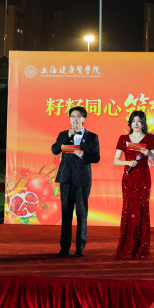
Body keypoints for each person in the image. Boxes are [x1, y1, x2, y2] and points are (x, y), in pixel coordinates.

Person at [51, 106, 100, 257]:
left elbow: (96, 157)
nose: (75, 119)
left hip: (82, 179)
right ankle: (64, 248)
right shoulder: (63, 134)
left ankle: (80, 248)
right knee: (66, 213)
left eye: (78, 116)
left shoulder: (92, 137)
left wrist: (83, 154)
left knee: (81, 213)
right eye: (72, 116)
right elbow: (55, 150)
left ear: (84, 119)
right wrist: (66, 138)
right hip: (66, 178)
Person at [113, 111, 154, 259]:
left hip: (143, 178)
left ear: (144, 123)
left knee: (141, 210)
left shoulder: (150, 138)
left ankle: (140, 248)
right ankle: (126, 246)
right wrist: (128, 162)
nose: (136, 124)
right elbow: (116, 160)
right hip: (129, 178)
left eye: (139, 121)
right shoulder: (123, 139)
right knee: (128, 209)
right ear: (130, 123)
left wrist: (149, 154)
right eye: (134, 121)